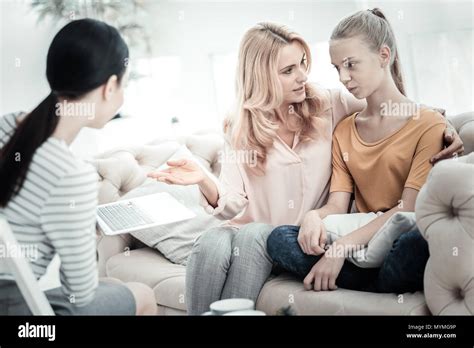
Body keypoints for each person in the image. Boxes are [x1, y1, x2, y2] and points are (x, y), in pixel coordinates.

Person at [148, 22, 463, 314]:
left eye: (302, 64)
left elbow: (400, 110)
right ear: (261, 77)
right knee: (213, 239)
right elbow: (231, 201)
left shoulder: (329, 104)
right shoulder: (240, 126)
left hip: (290, 237)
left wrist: (448, 130)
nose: (302, 76)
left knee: (255, 234)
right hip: (245, 235)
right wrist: (203, 179)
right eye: (288, 70)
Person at [267, 8, 457, 294]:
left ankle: (358, 279)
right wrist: (312, 218)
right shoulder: (344, 130)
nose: (343, 77)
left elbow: (409, 207)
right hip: (361, 247)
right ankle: (375, 283)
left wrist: (340, 248)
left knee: (417, 242)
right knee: (279, 238)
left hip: (396, 243)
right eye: (336, 68)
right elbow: (336, 207)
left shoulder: (428, 124)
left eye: (351, 65)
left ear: (384, 55)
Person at [0, 19, 156, 315]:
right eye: (124, 83)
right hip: (21, 318)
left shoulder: (5, 125)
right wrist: (85, 232)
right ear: (110, 87)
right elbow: (80, 293)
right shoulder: (72, 175)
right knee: (143, 295)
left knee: (115, 289)